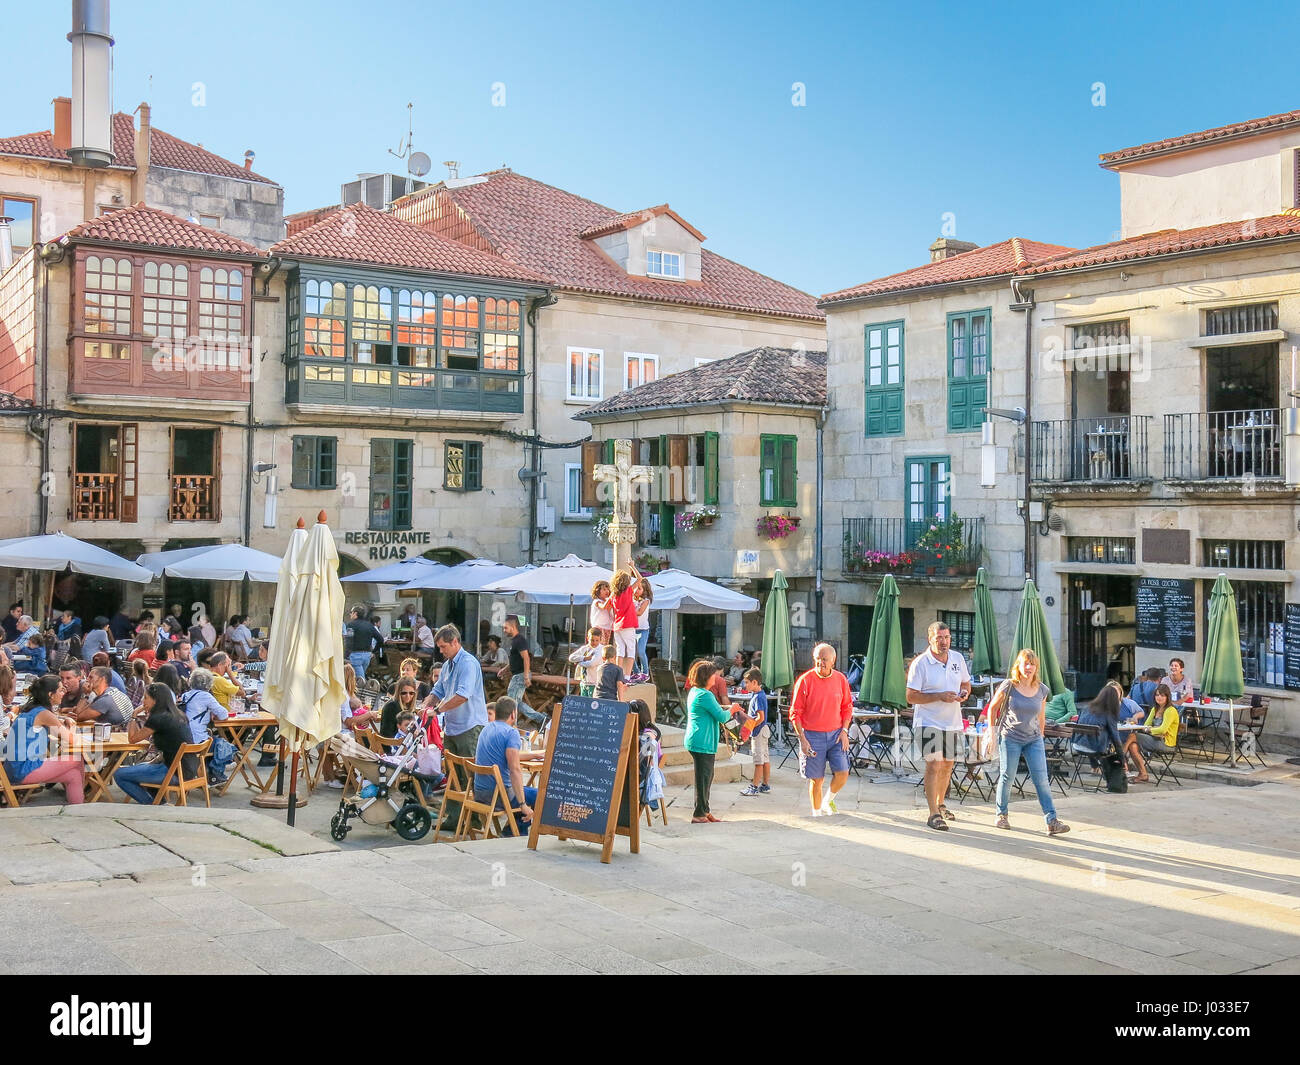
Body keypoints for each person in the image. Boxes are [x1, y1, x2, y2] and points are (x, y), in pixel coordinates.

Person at [987, 650, 1070, 835]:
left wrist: (1040, 735)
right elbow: (992, 709)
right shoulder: (1009, 685)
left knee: (1041, 779)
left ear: (1036, 667)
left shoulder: (1042, 689)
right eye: (1026, 663)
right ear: (1019, 665)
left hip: (1033, 739)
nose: (1029, 667)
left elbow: (1041, 716)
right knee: (1008, 776)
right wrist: (992, 733)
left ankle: (1052, 820)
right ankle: (1002, 815)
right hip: (1010, 737)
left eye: (1032, 664)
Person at [906, 621, 972, 832]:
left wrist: (964, 693)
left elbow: (965, 683)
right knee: (934, 764)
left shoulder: (957, 658)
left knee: (947, 765)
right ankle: (933, 813)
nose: (944, 642)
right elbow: (910, 696)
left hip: (952, 720)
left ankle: (941, 803)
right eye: (939, 638)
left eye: (947, 638)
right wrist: (939, 696)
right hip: (928, 721)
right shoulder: (921, 663)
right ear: (930, 639)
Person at [428, 624, 489, 830]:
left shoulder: (468, 663)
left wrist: (436, 711)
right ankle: (455, 819)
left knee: (470, 775)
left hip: (470, 726)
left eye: (444, 646)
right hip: (453, 727)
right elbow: (438, 689)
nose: (441, 651)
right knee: (453, 775)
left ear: (455, 642)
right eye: (439, 647)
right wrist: (426, 703)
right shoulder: (447, 665)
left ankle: (474, 819)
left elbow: (463, 695)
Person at [789, 643, 853, 816]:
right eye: (817, 659)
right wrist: (802, 738)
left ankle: (828, 800)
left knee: (843, 773)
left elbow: (847, 707)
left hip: (836, 735)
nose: (820, 663)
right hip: (812, 736)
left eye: (824, 660)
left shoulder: (840, 679)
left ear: (833, 660)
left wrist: (845, 731)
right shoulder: (805, 680)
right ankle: (816, 815)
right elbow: (795, 712)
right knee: (817, 780)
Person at [2, 675, 85, 803]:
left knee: (73, 775)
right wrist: (72, 724)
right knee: (77, 760)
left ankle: (78, 807)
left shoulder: (31, 709)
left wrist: (63, 721)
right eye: (61, 690)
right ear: (51, 695)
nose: (63, 693)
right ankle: (82, 806)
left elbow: (52, 727)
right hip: (24, 769)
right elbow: (71, 740)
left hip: (12, 767)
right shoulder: (45, 714)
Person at [116, 683, 199, 804]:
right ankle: (161, 803)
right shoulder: (179, 714)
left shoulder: (158, 718)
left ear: (156, 700)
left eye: (145, 697)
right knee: (141, 768)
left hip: (173, 772)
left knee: (119, 774)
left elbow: (132, 739)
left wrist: (134, 716)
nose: (143, 701)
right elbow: (172, 747)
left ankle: (152, 805)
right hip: (188, 770)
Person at [684, 659, 732, 823]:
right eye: (713, 675)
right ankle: (699, 813)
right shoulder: (705, 694)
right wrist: (733, 709)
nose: (716, 677)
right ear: (707, 677)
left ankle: (704, 810)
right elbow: (722, 716)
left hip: (697, 739)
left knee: (705, 777)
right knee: (704, 778)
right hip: (702, 741)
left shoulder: (695, 691)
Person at [179, 669, 233, 785]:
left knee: (214, 742)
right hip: (197, 741)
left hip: (182, 738)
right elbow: (224, 714)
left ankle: (207, 771)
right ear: (209, 684)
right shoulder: (206, 696)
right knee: (225, 746)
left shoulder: (185, 696)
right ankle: (214, 775)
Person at [1124, 683, 1180, 784]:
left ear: (1168, 697)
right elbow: (1146, 725)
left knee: (1132, 736)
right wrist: (1150, 729)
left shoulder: (1170, 710)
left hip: (1166, 743)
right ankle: (1143, 774)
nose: (1159, 697)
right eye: (1157, 695)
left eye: (1162, 695)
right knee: (1132, 746)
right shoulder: (1155, 709)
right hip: (1155, 738)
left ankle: (1120, 758)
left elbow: (1163, 730)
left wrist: (1149, 730)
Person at [1071, 683, 1129, 779]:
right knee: (1109, 748)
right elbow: (1116, 738)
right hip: (1094, 749)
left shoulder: (1086, 708)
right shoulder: (1109, 713)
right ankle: (1110, 777)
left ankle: (1095, 767)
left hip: (1077, 745)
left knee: (1094, 738)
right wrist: (1123, 761)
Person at [499, 615, 544, 726]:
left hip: (520, 675)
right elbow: (515, 660)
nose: (504, 630)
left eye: (506, 628)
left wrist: (525, 676)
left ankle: (511, 725)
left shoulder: (520, 640)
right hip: (518, 674)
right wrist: (504, 669)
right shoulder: (515, 641)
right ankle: (541, 719)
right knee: (516, 702)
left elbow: (526, 658)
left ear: (513, 627)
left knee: (511, 702)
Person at [739, 667, 771, 796]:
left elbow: (760, 717)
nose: (745, 685)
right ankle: (765, 784)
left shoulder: (757, 697)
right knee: (765, 758)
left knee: (758, 761)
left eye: (747, 682)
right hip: (763, 730)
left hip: (758, 731)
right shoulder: (759, 694)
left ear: (755, 682)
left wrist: (750, 727)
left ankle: (754, 786)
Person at [68, 665, 133, 727]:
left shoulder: (105, 700)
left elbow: (77, 717)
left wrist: (85, 694)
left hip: (119, 734)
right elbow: (81, 711)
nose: (87, 680)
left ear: (102, 679)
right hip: (119, 731)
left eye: (91, 677)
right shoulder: (111, 691)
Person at [610, 564, 641, 676]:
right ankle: (627, 676)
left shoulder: (614, 595)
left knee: (620, 650)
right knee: (631, 650)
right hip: (628, 624)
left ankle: (619, 674)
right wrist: (632, 566)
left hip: (617, 625)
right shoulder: (628, 591)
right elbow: (639, 579)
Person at [344, 606, 383, 681]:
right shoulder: (370, 625)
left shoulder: (351, 625)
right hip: (367, 656)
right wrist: (373, 652)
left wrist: (345, 656)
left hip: (355, 655)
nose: (350, 615)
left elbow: (348, 641)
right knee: (359, 678)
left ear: (355, 613)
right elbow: (380, 640)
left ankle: (361, 692)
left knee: (360, 681)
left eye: (351, 613)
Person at [568, 628, 604, 697]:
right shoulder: (585, 648)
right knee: (584, 702)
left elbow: (591, 664)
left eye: (597, 640)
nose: (594, 642)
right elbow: (571, 657)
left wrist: (579, 663)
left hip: (594, 683)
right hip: (584, 682)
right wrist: (584, 658)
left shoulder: (600, 650)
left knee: (591, 703)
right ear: (588, 638)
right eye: (592, 640)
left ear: (600, 639)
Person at [632, 577, 654, 682]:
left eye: (639, 588)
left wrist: (627, 608)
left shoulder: (646, 601)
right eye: (636, 588)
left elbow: (639, 612)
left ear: (645, 591)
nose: (636, 590)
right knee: (630, 653)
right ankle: (636, 672)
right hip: (633, 629)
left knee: (640, 651)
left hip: (643, 629)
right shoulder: (632, 600)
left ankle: (645, 672)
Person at [589, 580, 614, 644]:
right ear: (597, 591)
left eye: (608, 589)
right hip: (598, 628)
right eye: (604, 589)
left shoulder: (608, 602)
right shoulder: (597, 601)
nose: (607, 591)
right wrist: (611, 597)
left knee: (604, 647)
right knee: (598, 646)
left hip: (607, 628)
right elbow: (603, 607)